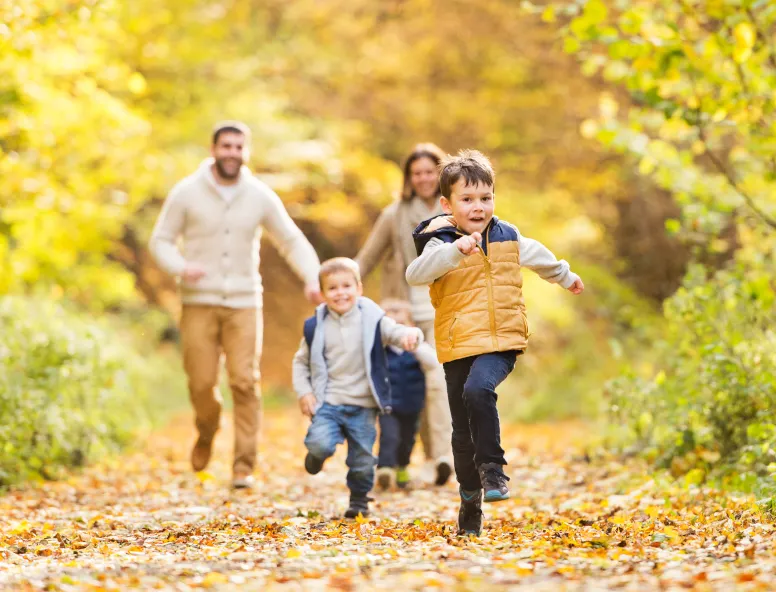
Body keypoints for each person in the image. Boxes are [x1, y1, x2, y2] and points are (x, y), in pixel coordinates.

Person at [406, 150, 584, 536]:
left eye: (485, 198)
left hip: (502, 340)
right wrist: (454, 251)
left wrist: (565, 275)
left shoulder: (508, 236)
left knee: (478, 389)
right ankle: (470, 499)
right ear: (447, 205)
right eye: (467, 199)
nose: (478, 207)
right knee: (461, 432)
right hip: (458, 343)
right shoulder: (440, 241)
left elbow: (538, 256)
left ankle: (493, 470)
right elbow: (415, 274)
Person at [149, 121, 322, 490]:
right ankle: (207, 429)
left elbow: (290, 240)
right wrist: (181, 267)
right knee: (201, 383)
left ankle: (244, 466)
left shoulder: (259, 195)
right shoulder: (187, 192)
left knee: (244, 381)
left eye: (239, 147)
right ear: (213, 149)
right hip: (198, 302)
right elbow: (161, 240)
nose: (232, 153)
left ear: (247, 152)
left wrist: (312, 278)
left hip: (245, 302)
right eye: (226, 146)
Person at [292, 258, 423, 518]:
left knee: (362, 459)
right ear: (322, 294)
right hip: (329, 402)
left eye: (346, 286)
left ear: (359, 288)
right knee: (319, 444)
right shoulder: (315, 326)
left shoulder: (373, 319)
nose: (340, 293)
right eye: (332, 288)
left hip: (363, 405)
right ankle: (316, 456)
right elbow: (300, 362)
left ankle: (359, 500)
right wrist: (304, 392)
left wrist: (411, 335)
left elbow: (395, 332)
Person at [356, 143, 453, 486]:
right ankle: (409, 458)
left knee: (438, 381)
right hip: (403, 313)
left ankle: (442, 456)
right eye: (417, 173)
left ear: (441, 174)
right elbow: (366, 258)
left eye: (430, 172)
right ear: (409, 178)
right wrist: (339, 287)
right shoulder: (395, 214)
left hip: (444, 309)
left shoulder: (455, 211)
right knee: (408, 387)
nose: (424, 178)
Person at [375, 299, 439, 491]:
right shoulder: (380, 350)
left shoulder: (418, 350)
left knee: (407, 439)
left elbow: (433, 363)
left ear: (411, 326)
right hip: (388, 405)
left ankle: (402, 466)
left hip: (412, 405)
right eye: (392, 327)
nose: (397, 332)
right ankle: (385, 468)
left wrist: (415, 345)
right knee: (390, 436)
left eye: (401, 325)